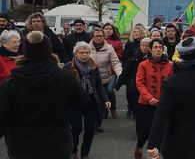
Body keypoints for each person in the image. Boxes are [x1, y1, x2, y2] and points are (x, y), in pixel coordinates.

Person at [0, 30, 84, 159]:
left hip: (22, 146)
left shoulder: (11, 83)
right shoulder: (66, 78)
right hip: (58, 143)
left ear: (25, 52)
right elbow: (81, 101)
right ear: (49, 50)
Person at [67, 41, 111, 159]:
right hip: (75, 102)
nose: (85, 55)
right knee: (76, 129)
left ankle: (85, 154)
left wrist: (106, 99)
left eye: (87, 52)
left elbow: (99, 86)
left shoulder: (94, 66)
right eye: (82, 52)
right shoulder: (68, 67)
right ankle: (74, 149)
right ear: (76, 53)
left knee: (90, 129)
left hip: (91, 100)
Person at [135, 39, 173, 159]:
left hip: (163, 103)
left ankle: (155, 155)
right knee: (146, 130)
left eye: (160, 47)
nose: (158, 50)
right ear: (150, 49)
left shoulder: (170, 65)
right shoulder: (143, 64)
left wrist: (166, 100)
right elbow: (139, 82)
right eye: (155, 47)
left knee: (160, 131)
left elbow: (173, 83)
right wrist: (149, 98)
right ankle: (139, 146)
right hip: (146, 103)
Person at [89, 27, 122, 128]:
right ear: (92, 37)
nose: (99, 38)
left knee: (102, 100)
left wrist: (120, 74)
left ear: (104, 37)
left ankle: (98, 123)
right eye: (96, 36)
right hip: (91, 79)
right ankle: (92, 123)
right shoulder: (87, 47)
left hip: (104, 78)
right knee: (95, 101)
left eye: (101, 36)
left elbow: (115, 62)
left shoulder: (109, 48)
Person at [123, 24, 148, 117]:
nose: (135, 34)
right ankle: (130, 106)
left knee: (137, 90)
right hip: (131, 70)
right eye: (134, 32)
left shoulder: (145, 43)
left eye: (137, 32)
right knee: (129, 90)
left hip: (141, 70)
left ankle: (136, 108)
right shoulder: (129, 43)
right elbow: (125, 56)